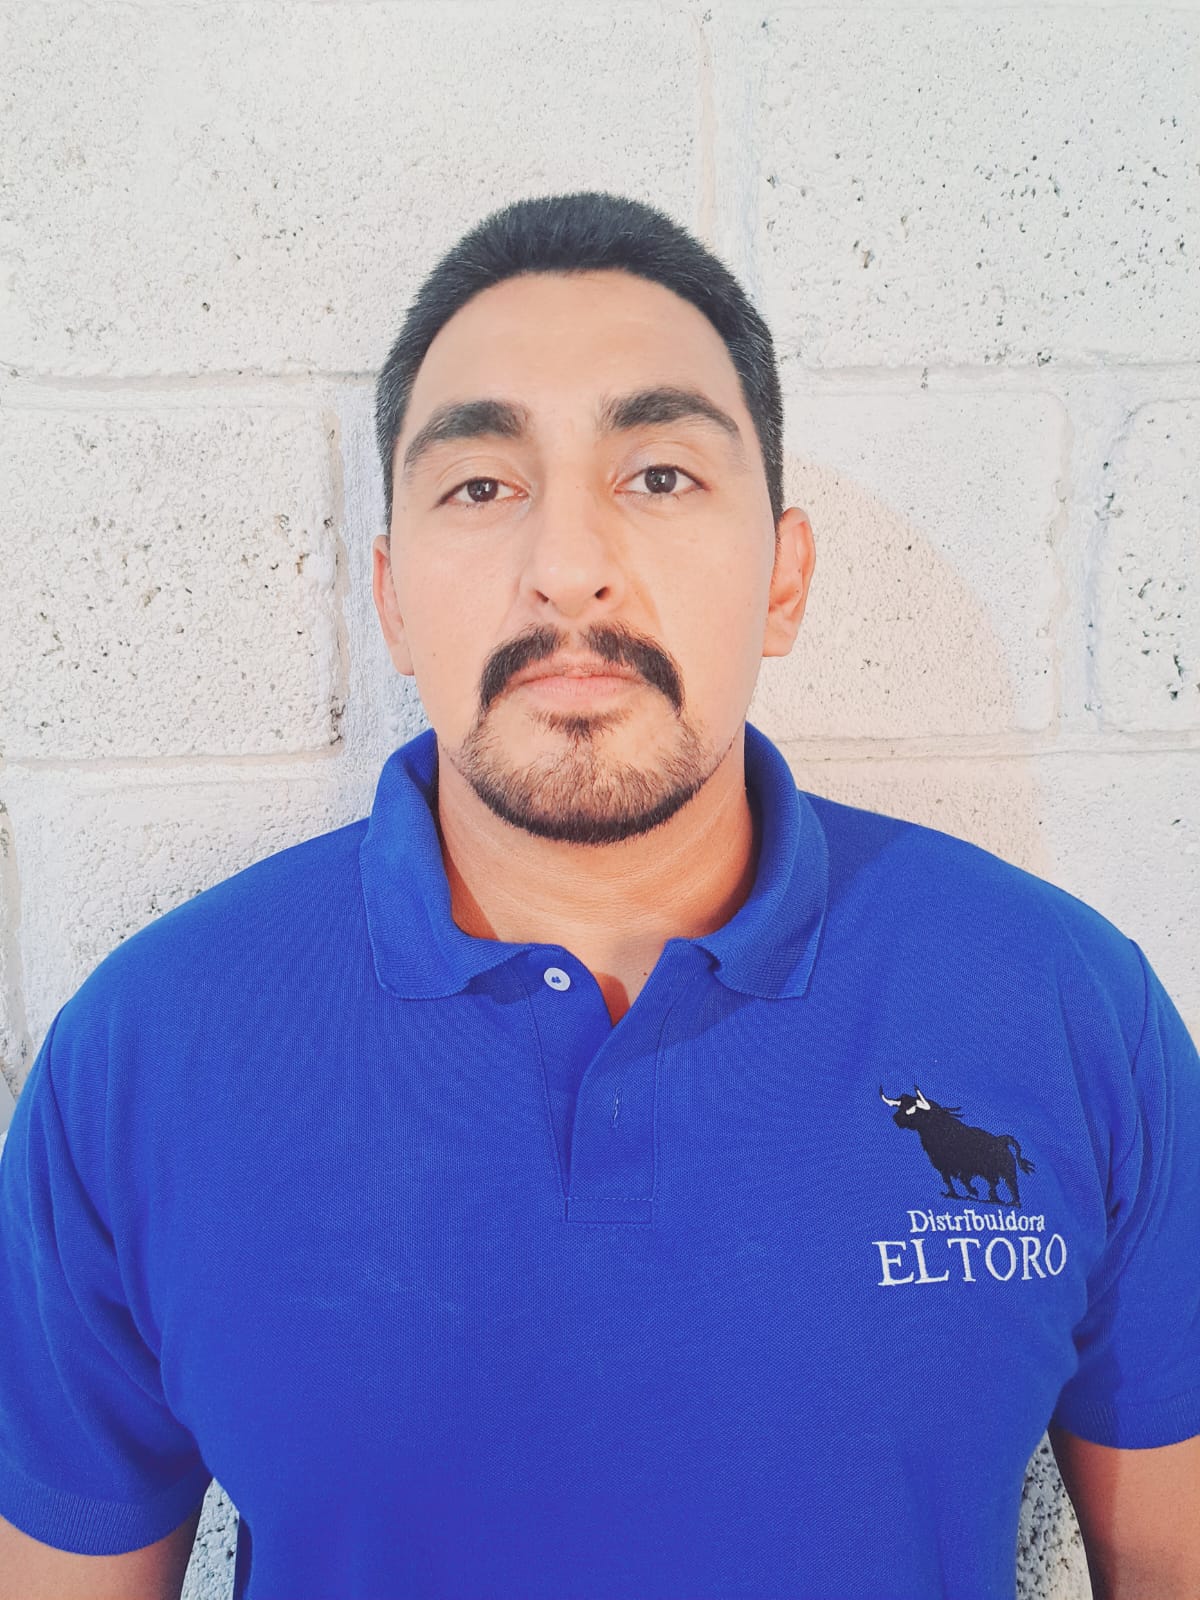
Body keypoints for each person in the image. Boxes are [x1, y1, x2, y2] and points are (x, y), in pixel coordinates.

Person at [0, 191, 1197, 1600]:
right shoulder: (147, 1052)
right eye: (481, 485)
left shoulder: (1065, 1009)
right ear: (391, 599)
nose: (568, 568)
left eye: (661, 474)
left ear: (784, 581)